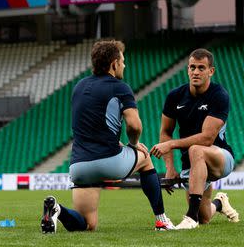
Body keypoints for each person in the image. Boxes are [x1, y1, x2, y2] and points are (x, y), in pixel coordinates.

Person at [42, 39, 174, 233]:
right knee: (146, 159)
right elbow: (135, 125)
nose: (125, 65)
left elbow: (91, 124)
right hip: (109, 161)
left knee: (87, 225)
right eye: (123, 61)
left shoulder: (79, 87)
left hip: (80, 165)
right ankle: (161, 221)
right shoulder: (120, 87)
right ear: (114, 64)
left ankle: (57, 210)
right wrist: (133, 144)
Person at [150, 48, 239, 229]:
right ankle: (220, 203)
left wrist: (171, 144)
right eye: (192, 67)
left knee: (196, 149)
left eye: (201, 68)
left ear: (210, 71)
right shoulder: (175, 96)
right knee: (204, 216)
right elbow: (165, 131)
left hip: (219, 157)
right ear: (188, 69)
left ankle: (190, 218)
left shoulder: (219, 95)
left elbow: (207, 139)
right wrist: (170, 167)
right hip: (192, 164)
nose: (196, 72)